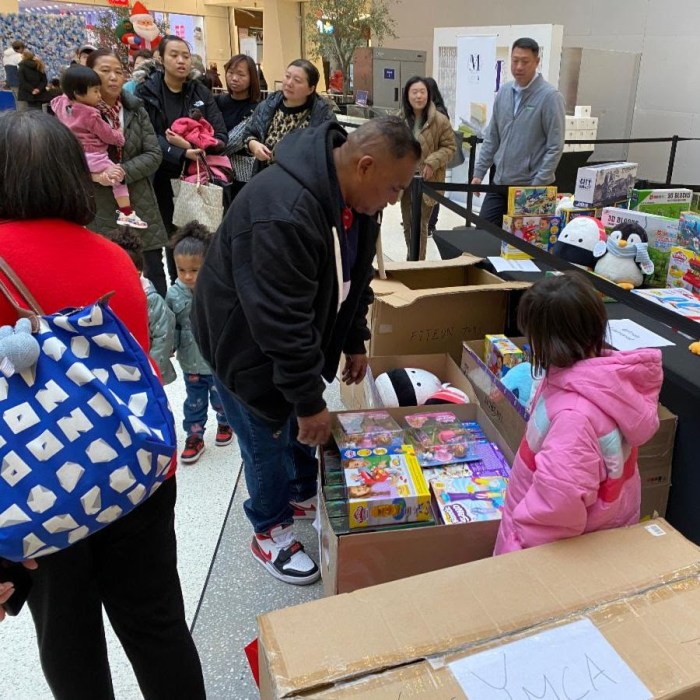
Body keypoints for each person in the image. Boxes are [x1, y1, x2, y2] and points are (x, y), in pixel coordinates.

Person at [0, 110, 205, 699]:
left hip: (39, 490)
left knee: (69, 643)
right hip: (131, 474)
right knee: (157, 627)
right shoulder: (114, 258)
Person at [191, 116, 420, 585]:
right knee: (265, 438)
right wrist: (309, 402)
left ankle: (299, 491)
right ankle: (268, 526)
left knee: (295, 426)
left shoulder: (355, 197)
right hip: (244, 349)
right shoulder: (284, 211)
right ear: (366, 165)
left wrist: (353, 337)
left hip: (292, 341)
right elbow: (280, 323)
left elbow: (354, 274)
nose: (397, 199)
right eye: (396, 187)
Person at [494, 272, 663, 555]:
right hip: (599, 532)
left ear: (548, 342)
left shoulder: (574, 415)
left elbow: (557, 505)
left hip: (545, 551)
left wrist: (516, 549)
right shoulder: (602, 381)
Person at [136, 35, 227, 284]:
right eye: (174, 55)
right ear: (161, 59)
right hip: (160, 176)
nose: (181, 61)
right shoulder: (146, 92)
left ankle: (195, 294)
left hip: (196, 178)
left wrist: (191, 145)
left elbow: (220, 135)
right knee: (167, 236)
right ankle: (171, 294)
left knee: (195, 241)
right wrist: (178, 152)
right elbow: (146, 136)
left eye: (185, 56)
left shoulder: (201, 91)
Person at [85, 49, 169, 296]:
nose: (113, 77)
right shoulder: (76, 113)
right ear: (90, 74)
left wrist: (121, 172)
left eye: (118, 72)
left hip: (139, 201)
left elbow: (154, 154)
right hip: (99, 204)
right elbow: (68, 158)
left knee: (152, 269)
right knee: (107, 271)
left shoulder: (135, 109)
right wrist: (96, 175)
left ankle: (157, 325)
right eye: (105, 70)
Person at [471, 37, 565, 227]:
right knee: (482, 232)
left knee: (521, 244)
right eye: (515, 60)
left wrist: (537, 185)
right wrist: (479, 172)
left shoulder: (549, 97)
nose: (519, 66)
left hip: (530, 188)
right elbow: (492, 137)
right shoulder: (504, 92)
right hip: (499, 182)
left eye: (525, 61)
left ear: (537, 62)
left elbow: (555, 146)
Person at [166, 221, 233, 464]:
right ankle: (194, 436)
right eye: (180, 270)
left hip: (216, 362)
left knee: (221, 398)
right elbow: (170, 323)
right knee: (193, 401)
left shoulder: (218, 289)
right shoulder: (174, 294)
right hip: (190, 361)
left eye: (194, 270)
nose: (186, 276)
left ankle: (226, 424)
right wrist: (170, 345)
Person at [52, 65, 148, 230]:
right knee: (118, 177)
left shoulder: (61, 104)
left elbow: (56, 101)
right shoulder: (91, 114)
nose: (99, 94)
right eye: (95, 91)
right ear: (78, 93)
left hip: (75, 154)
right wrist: (119, 136)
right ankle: (127, 212)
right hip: (95, 156)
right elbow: (107, 135)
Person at [241, 58, 336, 177]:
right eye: (287, 76)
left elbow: (330, 155)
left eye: (297, 80)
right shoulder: (268, 105)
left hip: (301, 184)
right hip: (265, 178)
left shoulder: (323, 116)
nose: (289, 83)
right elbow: (248, 133)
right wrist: (253, 145)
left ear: (311, 89)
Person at [110, 226, 176, 385]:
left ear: (138, 272)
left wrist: (151, 370)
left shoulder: (150, 298)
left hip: (146, 367)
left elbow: (163, 334)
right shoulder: (109, 294)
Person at [400, 76, 455, 260]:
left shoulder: (440, 120)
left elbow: (450, 147)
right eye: (414, 92)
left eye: (422, 92)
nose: (418, 96)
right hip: (405, 180)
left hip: (428, 180)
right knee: (408, 224)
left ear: (428, 94)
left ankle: (418, 264)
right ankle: (411, 257)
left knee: (421, 224)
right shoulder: (400, 118)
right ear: (407, 95)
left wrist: (432, 161)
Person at [217, 53, 261, 196]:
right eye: (230, 72)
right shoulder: (217, 102)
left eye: (241, 75)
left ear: (252, 78)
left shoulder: (258, 109)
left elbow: (235, 141)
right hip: (217, 173)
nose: (234, 78)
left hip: (244, 175)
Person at [423, 76, 450, 236]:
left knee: (433, 193)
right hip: (424, 159)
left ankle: (430, 224)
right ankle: (422, 220)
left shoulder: (439, 113)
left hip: (435, 160)